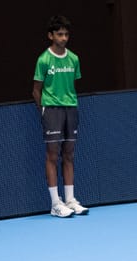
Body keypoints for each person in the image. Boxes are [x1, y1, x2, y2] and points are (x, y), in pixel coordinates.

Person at [32, 15, 88, 218]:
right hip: (52, 110)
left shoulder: (74, 58)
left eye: (66, 34)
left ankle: (70, 199)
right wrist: (44, 111)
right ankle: (55, 204)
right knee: (52, 155)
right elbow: (36, 90)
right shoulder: (44, 60)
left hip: (71, 108)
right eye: (59, 34)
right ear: (51, 36)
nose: (64, 38)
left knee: (69, 154)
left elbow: (72, 84)